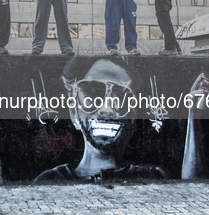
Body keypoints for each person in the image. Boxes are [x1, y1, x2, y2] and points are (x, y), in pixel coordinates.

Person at [34, 58, 168, 183]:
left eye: (119, 98)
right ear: (74, 112)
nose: (107, 109)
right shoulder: (51, 179)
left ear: (132, 116)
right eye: (92, 93)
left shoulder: (151, 176)